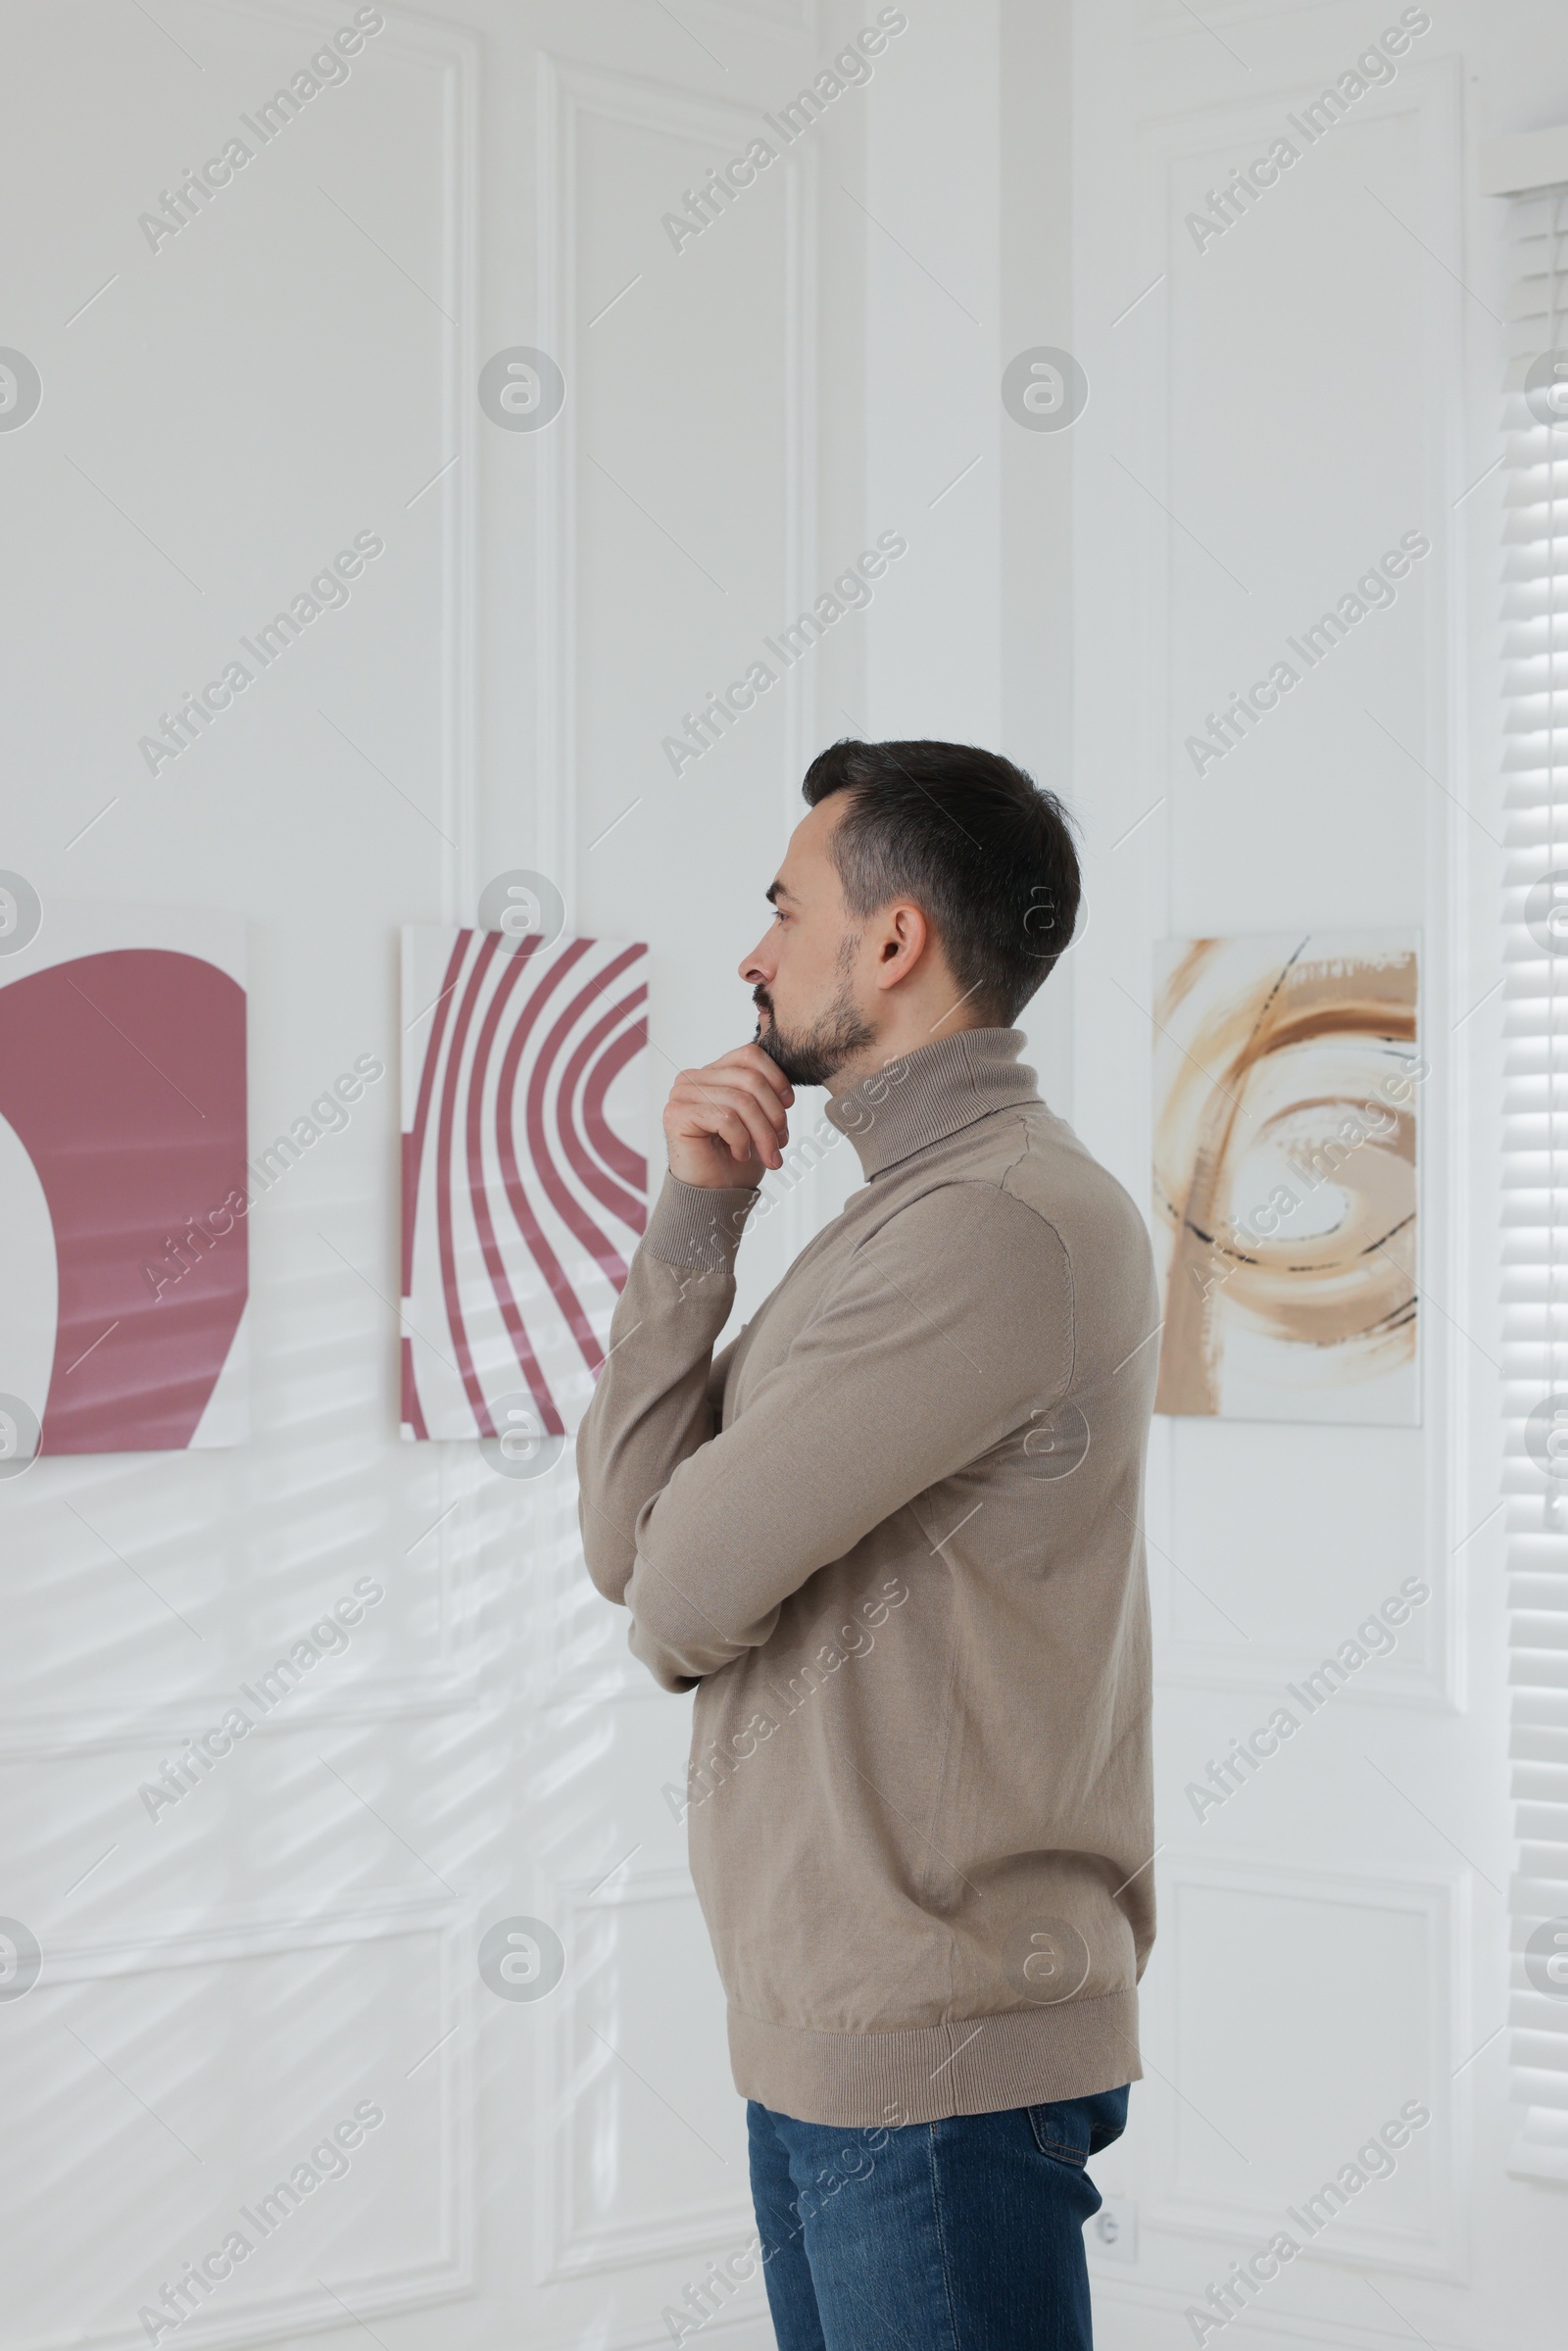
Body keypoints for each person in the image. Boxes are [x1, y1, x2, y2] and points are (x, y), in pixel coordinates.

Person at [577, 738, 1158, 2350]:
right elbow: (630, 1546)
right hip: (836, 2039)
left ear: (893, 944)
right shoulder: (892, 1214)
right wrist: (697, 1218)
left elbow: (682, 1594)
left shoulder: (996, 1223)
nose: (754, 953)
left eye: (783, 906)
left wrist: (682, 1580)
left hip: (938, 2055)